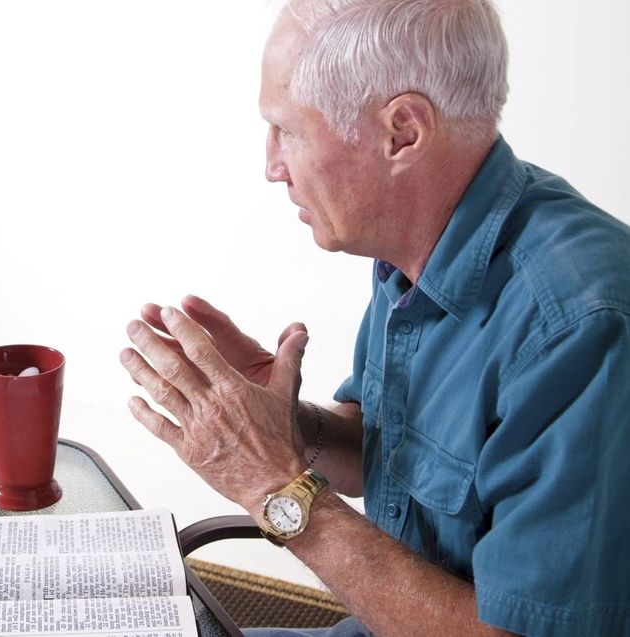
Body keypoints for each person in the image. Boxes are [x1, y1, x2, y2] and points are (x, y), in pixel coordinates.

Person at [120, 1, 630, 635]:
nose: (272, 165)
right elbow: (390, 452)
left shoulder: (580, 329)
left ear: (403, 133)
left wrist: (275, 485)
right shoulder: (419, 242)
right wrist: (288, 426)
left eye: (289, 131)